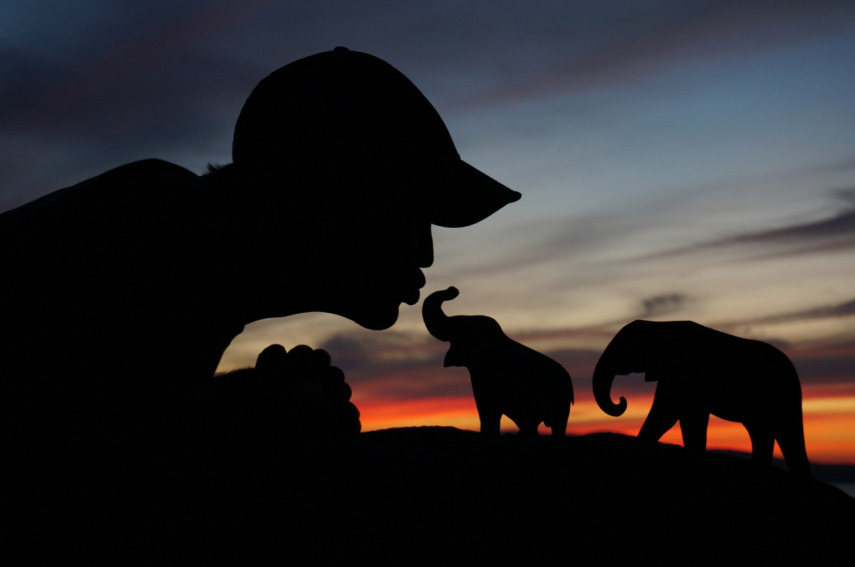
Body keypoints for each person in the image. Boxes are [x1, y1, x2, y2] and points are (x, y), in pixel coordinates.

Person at [0, 47, 520, 453]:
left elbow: (119, 403)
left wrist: (234, 404)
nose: (426, 255)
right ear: (330, 196)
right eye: (412, 215)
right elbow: (71, 452)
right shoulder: (139, 239)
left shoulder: (170, 236)